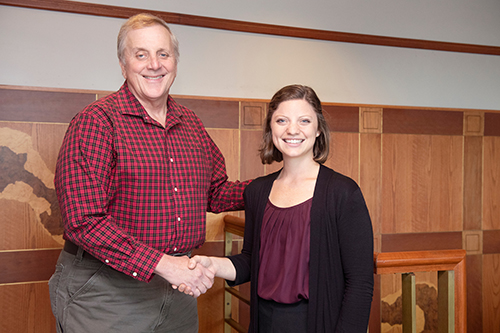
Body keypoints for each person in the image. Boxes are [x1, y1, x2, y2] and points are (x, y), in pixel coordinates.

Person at [48, 13, 250, 333]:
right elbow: (83, 221)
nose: (153, 64)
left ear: (175, 61)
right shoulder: (96, 122)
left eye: (163, 54)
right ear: (122, 63)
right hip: (106, 291)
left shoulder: (190, 123)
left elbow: (215, 191)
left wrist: (279, 185)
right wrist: (167, 266)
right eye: (141, 54)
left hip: (177, 289)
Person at [185, 84, 374, 332]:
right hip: (264, 322)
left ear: (318, 130)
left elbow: (360, 283)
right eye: (282, 120)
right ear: (271, 129)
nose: (292, 130)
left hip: (316, 323)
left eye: (304, 121)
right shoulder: (258, 192)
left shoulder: (343, 193)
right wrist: (213, 264)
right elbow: (252, 261)